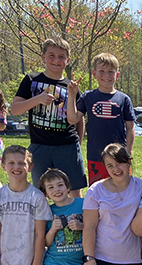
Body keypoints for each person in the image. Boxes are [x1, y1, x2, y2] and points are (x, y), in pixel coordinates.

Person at [12, 37, 87, 195]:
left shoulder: (71, 86)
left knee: (73, 190)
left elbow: (79, 119)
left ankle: (77, 219)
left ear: (67, 60)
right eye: (51, 55)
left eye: (61, 57)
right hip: (39, 146)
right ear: (43, 57)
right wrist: (37, 99)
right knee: (40, 191)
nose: (56, 60)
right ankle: (43, 220)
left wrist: (78, 144)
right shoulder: (31, 80)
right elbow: (15, 109)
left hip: (67, 145)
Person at [67, 53, 135, 185]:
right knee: (98, 191)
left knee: (123, 189)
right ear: (94, 74)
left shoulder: (124, 99)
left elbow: (130, 127)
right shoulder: (88, 96)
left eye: (111, 72)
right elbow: (72, 119)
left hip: (119, 156)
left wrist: (128, 151)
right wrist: (71, 96)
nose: (106, 76)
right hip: (95, 156)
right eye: (102, 71)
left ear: (117, 75)